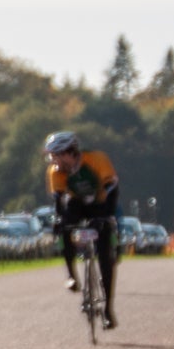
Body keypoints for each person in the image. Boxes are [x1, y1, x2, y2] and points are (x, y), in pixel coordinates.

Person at [45, 130, 119, 328]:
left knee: (105, 256)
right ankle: (71, 275)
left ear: (68, 152)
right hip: (76, 205)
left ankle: (107, 310)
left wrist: (105, 215)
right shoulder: (55, 171)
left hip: (100, 203)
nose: (52, 161)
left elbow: (112, 187)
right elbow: (59, 198)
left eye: (55, 155)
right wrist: (61, 221)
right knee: (63, 227)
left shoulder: (96, 159)